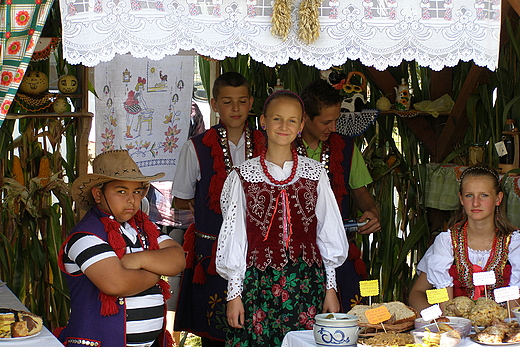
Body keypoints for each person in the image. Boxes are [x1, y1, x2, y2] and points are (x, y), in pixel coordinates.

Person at [216, 90, 348, 347]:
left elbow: (328, 233)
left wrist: (330, 289)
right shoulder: (242, 175)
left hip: (307, 283)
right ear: (263, 121)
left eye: (291, 120)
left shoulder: (315, 173)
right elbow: (235, 236)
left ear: (301, 125)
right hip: (258, 284)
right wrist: (234, 294)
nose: (284, 126)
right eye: (277, 119)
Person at [172, 71, 266, 346]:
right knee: (215, 335)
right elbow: (181, 198)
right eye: (227, 102)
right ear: (214, 104)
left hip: (259, 253)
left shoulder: (269, 143)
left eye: (241, 101)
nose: (235, 109)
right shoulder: (196, 147)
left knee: (259, 331)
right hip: (212, 255)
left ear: (250, 102)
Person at [56, 150, 186, 347]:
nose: (131, 200)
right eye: (121, 191)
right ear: (98, 194)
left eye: (137, 191)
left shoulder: (142, 227)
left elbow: (178, 259)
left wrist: (139, 260)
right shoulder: (85, 236)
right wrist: (156, 272)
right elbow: (117, 284)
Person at [298, 79, 380, 310]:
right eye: (326, 122)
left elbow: (361, 193)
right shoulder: (284, 149)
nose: (333, 128)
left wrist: (372, 213)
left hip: (339, 253)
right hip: (297, 257)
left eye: (336, 120)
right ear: (305, 118)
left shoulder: (346, 147)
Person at [408, 164, 520, 313]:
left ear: (498, 198)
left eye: (484, 195)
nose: (475, 203)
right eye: (469, 195)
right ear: (461, 199)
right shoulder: (447, 243)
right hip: (456, 331)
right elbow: (417, 293)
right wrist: (438, 318)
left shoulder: (514, 243)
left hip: (502, 331)